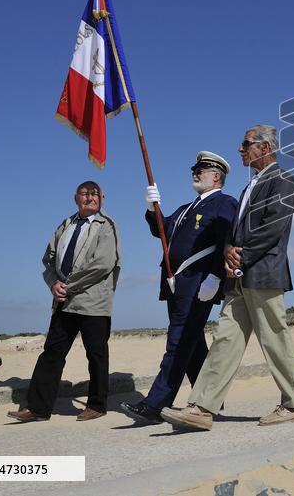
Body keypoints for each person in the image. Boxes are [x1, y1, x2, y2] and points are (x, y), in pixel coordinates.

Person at [161, 125, 294, 431]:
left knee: (274, 337)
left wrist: (242, 255)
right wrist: (228, 250)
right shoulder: (250, 185)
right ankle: (201, 407)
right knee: (225, 339)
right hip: (239, 276)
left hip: (263, 274)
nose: (240, 148)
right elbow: (235, 230)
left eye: (246, 143)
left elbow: (273, 227)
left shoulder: (282, 180)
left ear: (265, 148)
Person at [120, 152, 238, 424]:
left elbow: (226, 241)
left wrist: (215, 278)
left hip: (199, 283)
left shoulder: (224, 203)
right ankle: (209, 398)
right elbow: (162, 231)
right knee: (192, 344)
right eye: (194, 168)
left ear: (216, 176)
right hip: (176, 283)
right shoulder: (187, 208)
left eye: (201, 169)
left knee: (179, 341)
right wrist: (153, 208)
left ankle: (155, 404)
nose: (195, 172)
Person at [8, 181, 121, 423]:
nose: (90, 198)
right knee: (52, 353)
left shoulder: (107, 226)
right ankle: (38, 408)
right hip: (63, 302)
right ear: (75, 198)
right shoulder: (66, 225)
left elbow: (103, 264)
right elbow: (48, 261)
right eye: (84, 194)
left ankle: (97, 405)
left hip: (93, 302)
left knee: (96, 355)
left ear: (102, 198)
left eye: (95, 194)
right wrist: (53, 284)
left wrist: (68, 286)